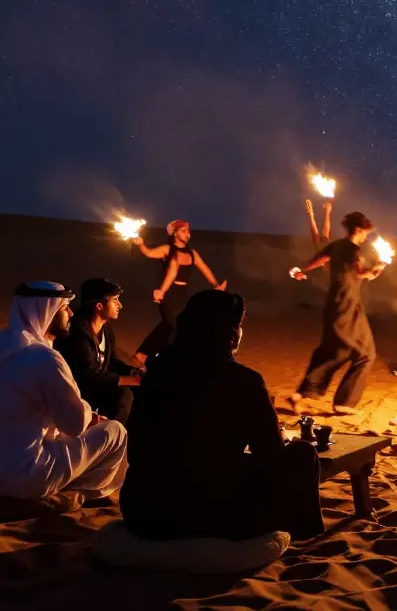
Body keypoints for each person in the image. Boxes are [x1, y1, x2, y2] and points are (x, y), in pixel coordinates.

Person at [120, 290, 324, 541]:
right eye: (238, 326)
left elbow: (137, 442)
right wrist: (278, 435)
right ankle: (303, 534)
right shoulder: (244, 380)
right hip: (204, 513)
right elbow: (269, 457)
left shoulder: (158, 369)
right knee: (303, 454)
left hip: (142, 509)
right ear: (229, 334)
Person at [0, 281, 128, 503]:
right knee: (115, 432)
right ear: (47, 312)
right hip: (18, 477)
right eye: (64, 307)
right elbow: (75, 424)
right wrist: (90, 416)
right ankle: (82, 493)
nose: (70, 313)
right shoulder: (46, 358)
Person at [287, 211, 386, 414]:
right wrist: (377, 267)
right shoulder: (353, 249)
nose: (366, 236)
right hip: (348, 306)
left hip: (335, 304)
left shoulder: (336, 246)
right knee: (366, 353)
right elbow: (360, 274)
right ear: (358, 230)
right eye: (366, 232)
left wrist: (301, 271)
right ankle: (344, 403)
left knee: (335, 351)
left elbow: (318, 260)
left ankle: (300, 394)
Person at [131, 219, 227, 365]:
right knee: (173, 326)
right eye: (183, 230)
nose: (187, 234)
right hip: (168, 293)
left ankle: (142, 353)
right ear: (174, 234)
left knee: (169, 326)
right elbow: (149, 253)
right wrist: (140, 244)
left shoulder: (192, 253)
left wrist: (216, 285)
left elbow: (204, 269)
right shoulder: (167, 249)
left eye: (188, 231)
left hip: (182, 294)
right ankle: (160, 356)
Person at [54, 278, 141, 424]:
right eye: (115, 300)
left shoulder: (105, 329)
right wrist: (128, 381)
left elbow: (111, 361)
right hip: (78, 392)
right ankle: (104, 435)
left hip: (97, 386)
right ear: (99, 306)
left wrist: (133, 372)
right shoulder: (77, 333)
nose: (120, 305)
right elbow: (86, 374)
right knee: (123, 396)